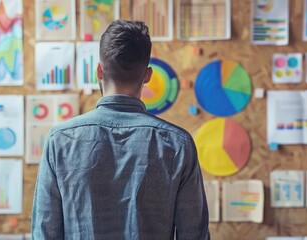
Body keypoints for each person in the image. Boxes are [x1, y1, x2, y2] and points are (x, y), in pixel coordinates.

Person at [31, 20, 210, 240]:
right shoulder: (178, 144)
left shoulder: (61, 140)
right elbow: (194, 235)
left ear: (99, 71)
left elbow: (45, 233)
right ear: (148, 75)